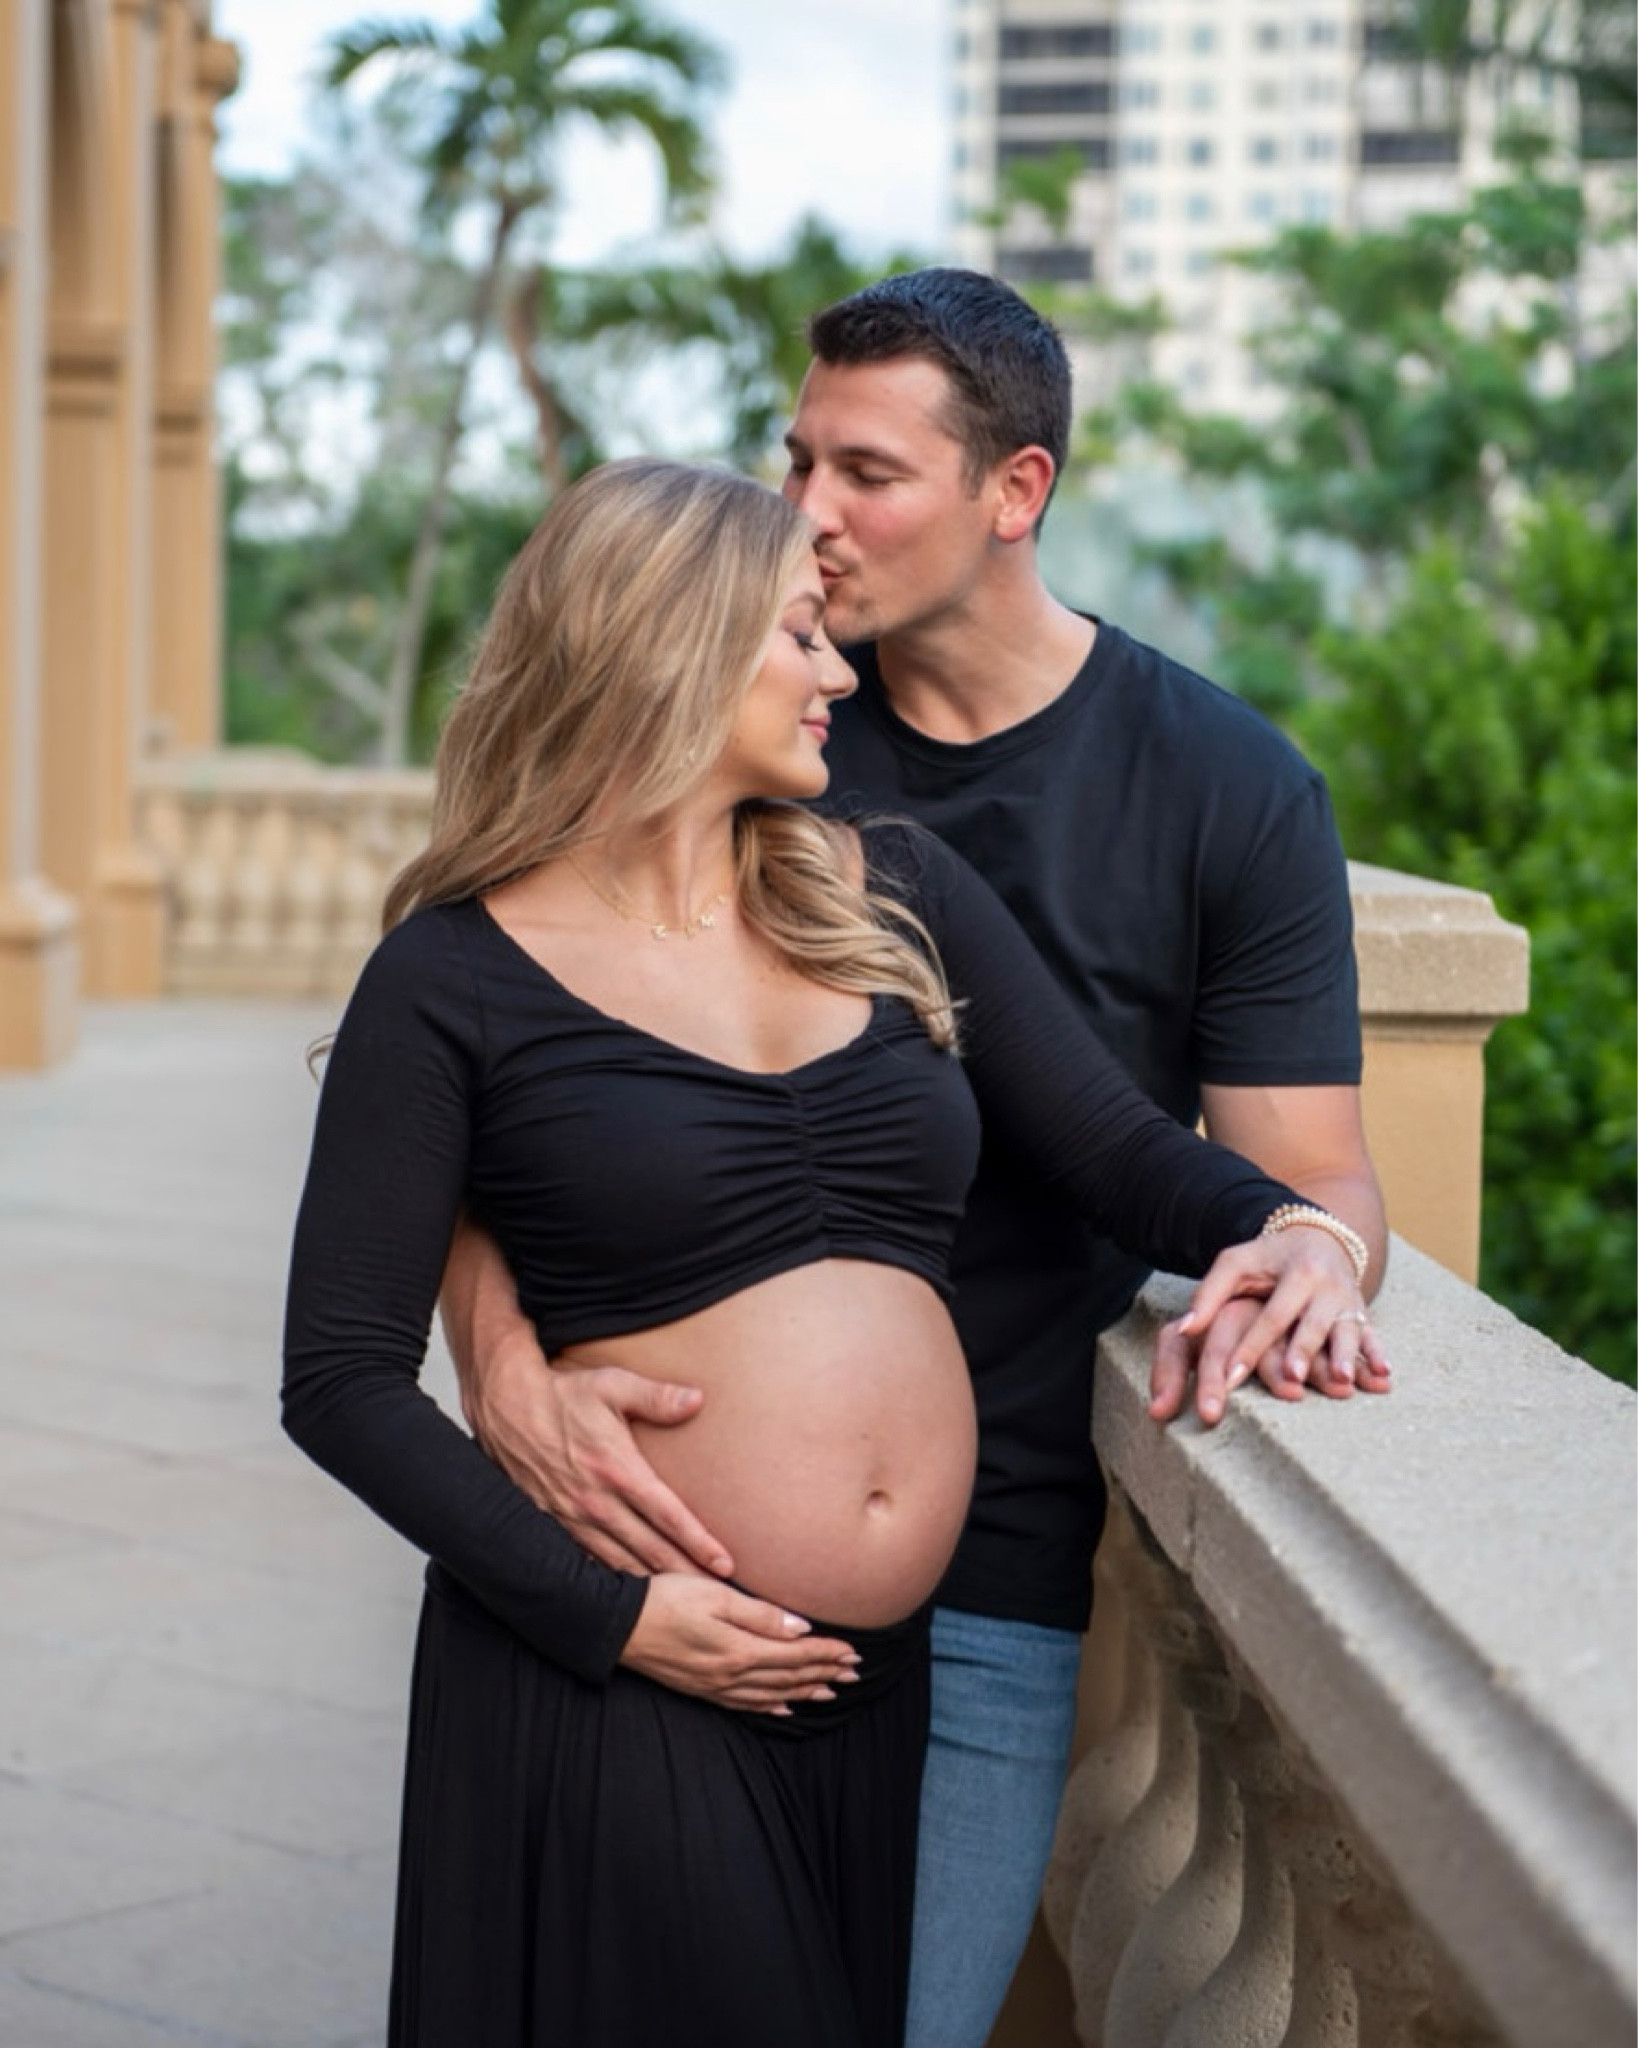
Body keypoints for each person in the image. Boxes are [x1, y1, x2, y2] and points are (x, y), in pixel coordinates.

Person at [284, 455, 1383, 2048]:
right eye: (799, 634)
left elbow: (1117, 1154)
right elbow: (338, 1381)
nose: (837, 672)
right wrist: (610, 1618)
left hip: (873, 1688)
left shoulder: (891, 889)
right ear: (670, 644)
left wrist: (1300, 1233)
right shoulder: (449, 978)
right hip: (626, 1674)